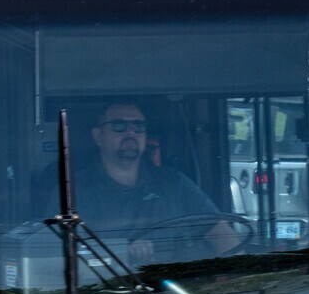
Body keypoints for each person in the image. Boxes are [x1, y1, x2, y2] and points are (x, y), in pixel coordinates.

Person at [78, 102, 241, 264]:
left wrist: (244, 278)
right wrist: (123, 253)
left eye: (138, 126)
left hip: (177, 286)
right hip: (107, 288)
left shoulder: (174, 183)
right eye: (119, 125)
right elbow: (63, 258)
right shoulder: (74, 192)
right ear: (98, 136)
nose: (130, 132)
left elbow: (219, 231)